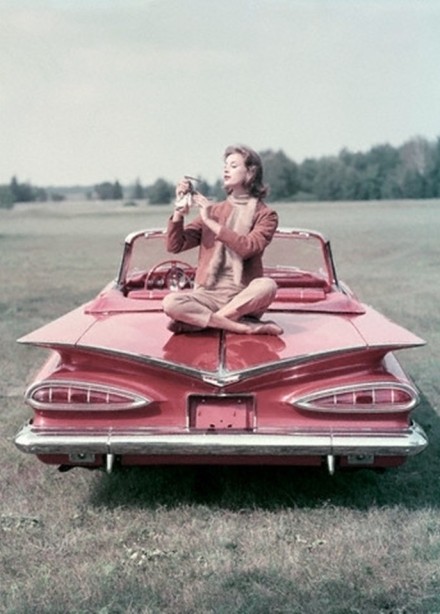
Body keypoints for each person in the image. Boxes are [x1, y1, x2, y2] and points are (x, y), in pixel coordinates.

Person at [162, 144, 283, 335]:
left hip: (243, 298)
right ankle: (241, 327)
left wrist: (210, 221)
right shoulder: (213, 210)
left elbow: (248, 247)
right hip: (207, 296)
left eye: (233, 166)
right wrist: (178, 211)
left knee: (267, 285)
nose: (226, 170)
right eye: (225, 166)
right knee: (170, 302)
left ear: (251, 172)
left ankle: (201, 323)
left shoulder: (266, 215)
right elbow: (175, 245)